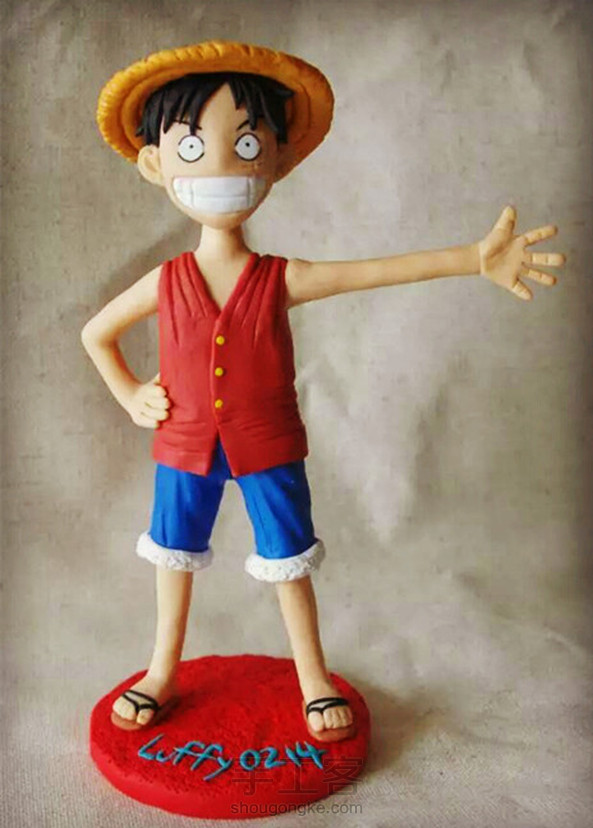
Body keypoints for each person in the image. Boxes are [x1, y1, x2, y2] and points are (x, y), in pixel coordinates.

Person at [82, 41, 566, 743]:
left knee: (289, 562)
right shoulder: (166, 281)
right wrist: (130, 394)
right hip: (182, 443)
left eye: (246, 143)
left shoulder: (281, 277)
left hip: (268, 444)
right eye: (192, 147)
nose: (220, 166)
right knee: (172, 557)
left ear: (277, 159)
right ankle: (161, 671)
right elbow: (95, 334)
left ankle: (313, 678)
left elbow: (373, 271)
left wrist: (470, 258)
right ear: (155, 163)